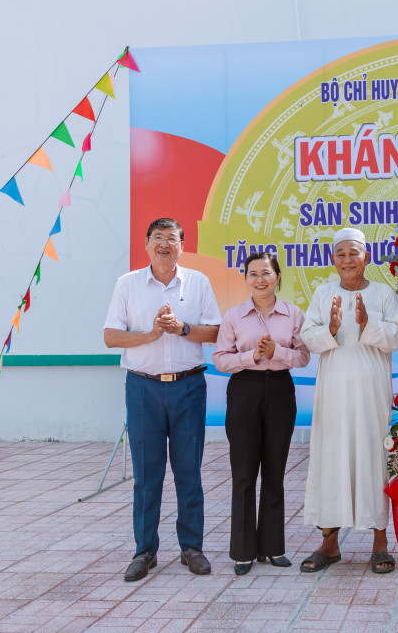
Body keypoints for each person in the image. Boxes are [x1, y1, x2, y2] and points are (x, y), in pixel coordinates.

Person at [104, 217, 221, 582]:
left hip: (188, 387)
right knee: (146, 475)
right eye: (158, 237)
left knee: (189, 472)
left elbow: (215, 332)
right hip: (143, 389)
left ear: (182, 246)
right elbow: (110, 336)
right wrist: (152, 334)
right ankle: (145, 551)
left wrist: (181, 329)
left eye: (172, 238)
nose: (165, 244)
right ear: (147, 244)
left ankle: (192, 548)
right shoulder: (127, 284)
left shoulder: (198, 282)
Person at [299, 227, 398, 574]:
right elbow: (308, 337)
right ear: (333, 260)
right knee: (332, 460)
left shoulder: (384, 294)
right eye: (341, 254)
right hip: (333, 394)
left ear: (366, 258)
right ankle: (329, 545)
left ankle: (380, 544)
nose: (347, 260)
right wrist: (330, 328)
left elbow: (396, 338)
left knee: (374, 461)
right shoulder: (323, 293)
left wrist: (367, 323)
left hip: (372, 395)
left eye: (353, 253)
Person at [212, 252, 311, 575]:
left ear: (277, 277)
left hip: (280, 391)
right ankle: (243, 552)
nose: (259, 279)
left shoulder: (293, 314)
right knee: (243, 473)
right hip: (244, 390)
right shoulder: (234, 316)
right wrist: (251, 356)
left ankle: (273, 547)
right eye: (253, 274)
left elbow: (303, 356)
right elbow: (220, 359)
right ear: (245, 279)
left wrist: (276, 352)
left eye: (266, 273)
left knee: (274, 471)